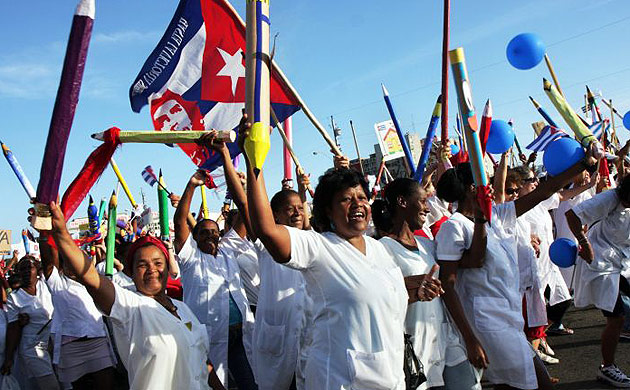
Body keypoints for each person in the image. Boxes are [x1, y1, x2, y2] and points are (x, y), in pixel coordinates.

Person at [241, 114, 429, 390]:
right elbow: (268, 231)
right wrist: (254, 162)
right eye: (346, 199)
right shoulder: (319, 247)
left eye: (362, 197)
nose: (357, 204)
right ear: (327, 210)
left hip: (391, 379)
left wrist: (415, 288)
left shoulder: (379, 249)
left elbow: (377, 296)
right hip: (340, 380)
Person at [434, 151, 595, 390]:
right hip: (486, 321)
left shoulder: (497, 215)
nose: (489, 185)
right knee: (537, 384)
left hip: (509, 316)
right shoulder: (453, 228)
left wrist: (583, 164)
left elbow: (543, 191)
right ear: (471, 188)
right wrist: (469, 338)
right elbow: (447, 284)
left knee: (509, 385)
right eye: (484, 181)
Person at [47, 202, 219, 390]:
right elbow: (90, 277)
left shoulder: (183, 308)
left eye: (158, 262)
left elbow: (202, 358)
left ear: (168, 267)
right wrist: (61, 233)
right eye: (143, 265)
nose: (152, 269)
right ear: (131, 272)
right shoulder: (130, 307)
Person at [372, 177, 481, 390]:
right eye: (423, 201)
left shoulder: (427, 244)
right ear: (402, 202)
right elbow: (379, 296)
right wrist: (411, 287)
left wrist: (481, 221)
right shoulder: (382, 249)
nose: (427, 209)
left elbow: (474, 261)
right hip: (414, 350)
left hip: (445, 340)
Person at [174, 130, 257, 390]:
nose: (210, 235)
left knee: (251, 384)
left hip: (240, 336)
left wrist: (243, 185)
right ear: (194, 237)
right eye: (203, 232)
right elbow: (179, 222)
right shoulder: (190, 258)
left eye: (214, 232)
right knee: (213, 386)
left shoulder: (228, 250)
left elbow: (245, 212)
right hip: (209, 339)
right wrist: (191, 186)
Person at [566, 175, 630, 387]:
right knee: (617, 318)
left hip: (623, 261)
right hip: (601, 261)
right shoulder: (610, 198)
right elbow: (572, 214)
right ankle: (607, 367)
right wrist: (584, 243)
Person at [252, 171, 313, 390]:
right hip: (277, 338)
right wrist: (254, 166)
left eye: (300, 208)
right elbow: (245, 203)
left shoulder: (313, 240)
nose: (297, 213)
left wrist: (302, 189)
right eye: (290, 209)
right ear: (275, 215)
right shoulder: (266, 242)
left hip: (308, 341)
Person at [37, 235, 116, 390]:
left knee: (107, 384)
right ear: (63, 266)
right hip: (71, 348)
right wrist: (44, 235)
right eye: (69, 262)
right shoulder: (57, 284)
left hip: (97, 342)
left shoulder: (96, 283)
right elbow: (47, 261)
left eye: (78, 262)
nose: (74, 266)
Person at [1, 256, 57, 390]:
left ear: (37, 269)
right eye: (22, 269)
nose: (26, 271)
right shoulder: (14, 298)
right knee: (51, 386)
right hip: (32, 348)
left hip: (56, 342)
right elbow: (13, 328)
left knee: (66, 382)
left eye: (29, 267)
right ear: (18, 273)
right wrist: (9, 359)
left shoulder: (47, 285)